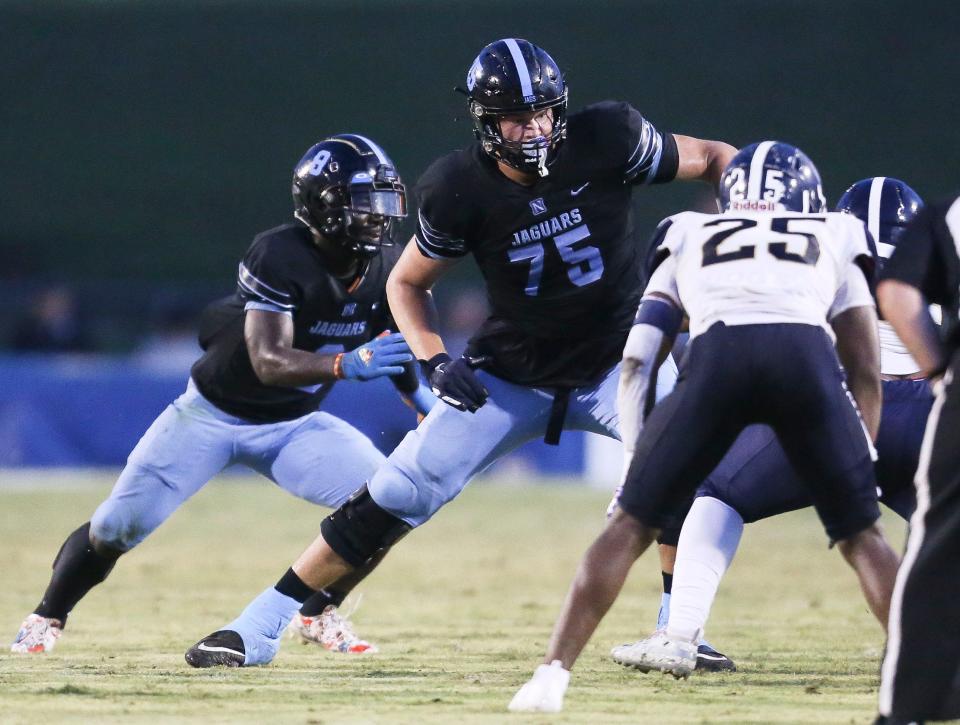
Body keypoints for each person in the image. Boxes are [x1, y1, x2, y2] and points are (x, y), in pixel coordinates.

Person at [183, 37, 737, 668]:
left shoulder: (609, 136)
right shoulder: (456, 188)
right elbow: (406, 282)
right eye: (515, 117)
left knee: (686, 470)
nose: (533, 128)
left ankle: (679, 632)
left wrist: (755, 213)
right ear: (485, 120)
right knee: (399, 487)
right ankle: (257, 626)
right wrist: (434, 357)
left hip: (618, 362)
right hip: (512, 373)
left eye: (543, 113)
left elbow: (717, 157)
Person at [509, 141, 904, 713]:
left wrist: (636, 464)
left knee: (629, 526)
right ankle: (916, 674)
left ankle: (551, 675)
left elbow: (641, 356)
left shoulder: (689, 232)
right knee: (862, 538)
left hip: (719, 359)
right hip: (804, 361)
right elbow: (865, 367)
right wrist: (859, 453)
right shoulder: (838, 234)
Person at [11, 134, 435, 656]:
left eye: (385, 202)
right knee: (116, 527)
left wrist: (423, 404)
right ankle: (47, 614)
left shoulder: (389, 268)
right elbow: (268, 361)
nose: (379, 216)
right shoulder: (280, 253)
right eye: (365, 203)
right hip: (212, 414)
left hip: (294, 424)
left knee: (390, 502)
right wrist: (345, 364)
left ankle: (317, 610)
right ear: (324, 206)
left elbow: (394, 346)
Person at [609, 177, 933, 676]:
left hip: (837, 410)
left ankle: (679, 635)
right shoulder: (936, 258)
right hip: (925, 417)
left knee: (716, 491)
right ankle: (924, 649)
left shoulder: (818, 247)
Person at [875, 194, 960, 725]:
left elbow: (897, 293)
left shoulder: (952, 212)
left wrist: (939, 375)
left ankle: (902, 711)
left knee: (934, 555)